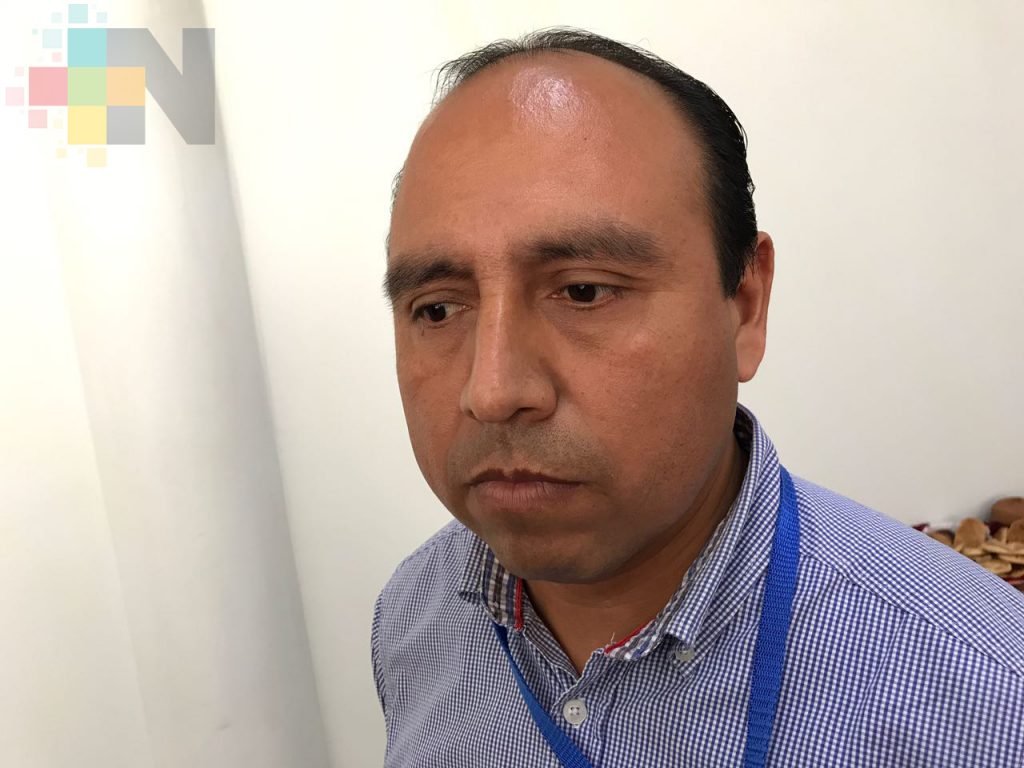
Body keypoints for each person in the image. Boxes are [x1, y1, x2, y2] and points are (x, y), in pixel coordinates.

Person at [371, 27, 1024, 767]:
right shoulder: (413, 615)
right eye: (437, 309)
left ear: (745, 304)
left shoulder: (989, 700)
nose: (491, 391)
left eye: (584, 291)